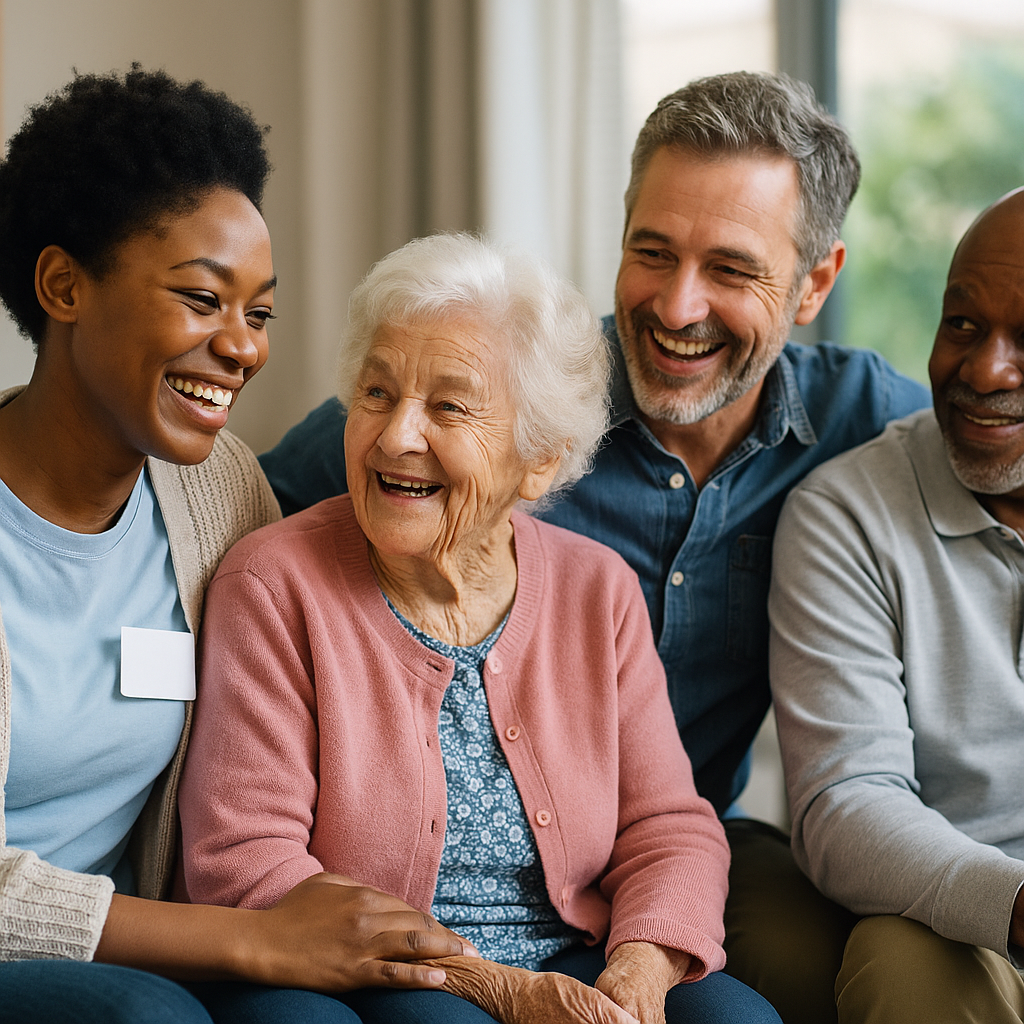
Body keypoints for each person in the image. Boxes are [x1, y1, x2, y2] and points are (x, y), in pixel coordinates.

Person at [257, 71, 930, 1022]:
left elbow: (993, 449)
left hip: (675, 844)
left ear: (815, 283)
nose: (678, 306)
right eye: (652, 252)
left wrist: (640, 970)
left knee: (787, 971)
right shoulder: (489, 398)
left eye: (731, 270)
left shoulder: (870, 423)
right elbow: (247, 515)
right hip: (412, 888)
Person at [178, 232, 783, 1024]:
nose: (396, 435)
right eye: (377, 394)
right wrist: (493, 985)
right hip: (368, 969)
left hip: (576, 949)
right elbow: (244, 859)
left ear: (539, 459)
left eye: (449, 407)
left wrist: (638, 972)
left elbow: (667, 825)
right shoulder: (273, 585)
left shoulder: (597, 590)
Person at [0, 68, 472, 1024]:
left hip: (149, 954)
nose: (244, 347)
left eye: (258, 313)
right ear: (63, 285)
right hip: (125, 971)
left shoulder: (220, 493)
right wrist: (248, 940)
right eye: (201, 298)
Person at [769, 187, 1024, 1022]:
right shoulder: (847, 513)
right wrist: (1013, 904)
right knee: (903, 958)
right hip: (957, 918)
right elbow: (848, 803)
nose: (984, 371)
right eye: (963, 324)